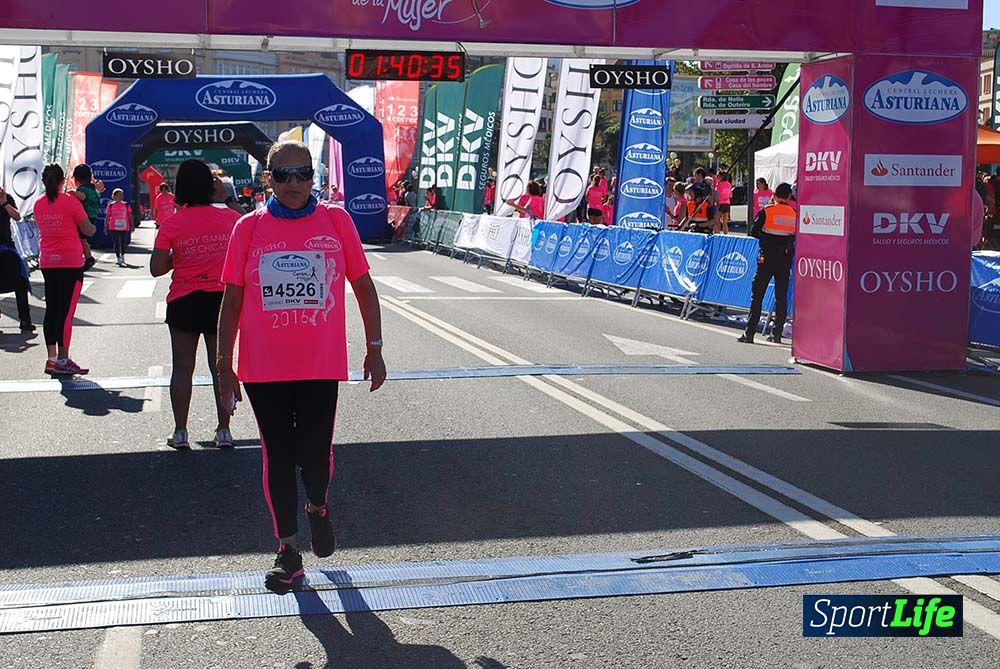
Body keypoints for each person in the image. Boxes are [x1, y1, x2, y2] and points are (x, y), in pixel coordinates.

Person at [216, 140, 386, 593]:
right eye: (283, 175)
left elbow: (364, 287)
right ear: (267, 178)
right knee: (278, 454)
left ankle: (318, 506)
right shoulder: (248, 229)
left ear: (315, 176)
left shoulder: (335, 220)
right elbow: (232, 299)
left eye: (303, 173)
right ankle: (288, 551)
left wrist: (374, 347)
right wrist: (222, 364)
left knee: (314, 452)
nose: (294, 184)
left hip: (319, 363)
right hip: (263, 366)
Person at [151, 160, 240, 450]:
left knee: (182, 368)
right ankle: (224, 430)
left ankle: (180, 431)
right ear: (210, 185)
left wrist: (180, 257)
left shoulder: (173, 222)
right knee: (221, 367)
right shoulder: (229, 219)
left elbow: (156, 268)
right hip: (221, 300)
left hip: (184, 299)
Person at [34, 164, 95, 376]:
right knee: (66, 314)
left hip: (48, 263)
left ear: (44, 182)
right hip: (70, 262)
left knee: (52, 310)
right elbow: (88, 229)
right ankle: (63, 358)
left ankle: (51, 359)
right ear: (63, 181)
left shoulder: (38, 204)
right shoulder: (70, 202)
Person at [739, 182, 796, 345]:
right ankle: (776, 333)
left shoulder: (767, 211)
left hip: (767, 257)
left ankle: (749, 334)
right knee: (781, 296)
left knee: (757, 295)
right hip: (785, 258)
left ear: (775, 195)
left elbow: (753, 231)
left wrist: (768, 239)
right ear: (789, 197)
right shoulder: (794, 213)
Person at [71, 165, 101, 271]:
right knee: (83, 239)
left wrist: (72, 193)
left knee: (80, 239)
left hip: (86, 218)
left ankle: (88, 258)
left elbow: (82, 196)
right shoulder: (94, 189)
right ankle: (87, 257)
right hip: (93, 217)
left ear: (77, 179)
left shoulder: (83, 189)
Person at [103, 188, 133, 267]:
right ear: (114, 196)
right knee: (116, 242)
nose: (121, 196)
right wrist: (105, 227)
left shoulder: (126, 205)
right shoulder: (111, 205)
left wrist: (132, 225)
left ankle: (122, 255)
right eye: (119, 195)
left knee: (123, 242)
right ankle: (118, 257)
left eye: (121, 195)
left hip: (124, 226)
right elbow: (107, 217)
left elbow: (129, 215)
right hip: (114, 226)